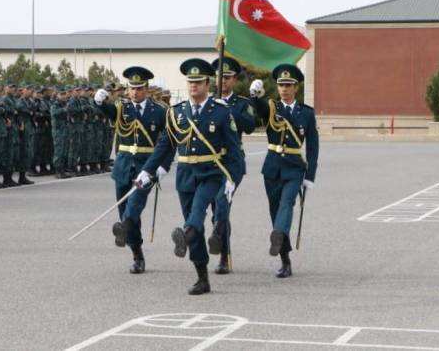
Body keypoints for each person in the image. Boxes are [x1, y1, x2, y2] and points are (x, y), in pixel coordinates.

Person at [137, 58, 243, 295]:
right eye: (190, 82)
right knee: (194, 230)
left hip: (210, 173)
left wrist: (231, 180)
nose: (193, 86)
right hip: (185, 175)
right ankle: (201, 276)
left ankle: (184, 233)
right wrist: (147, 171)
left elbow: (235, 153)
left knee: (195, 217)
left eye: (198, 82)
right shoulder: (176, 113)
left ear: (207, 84)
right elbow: (164, 146)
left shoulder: (221, 113)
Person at [94, 67, 169, 274]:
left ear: (146, 89)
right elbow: (107, 111)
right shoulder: (121, 108)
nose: (134, 92)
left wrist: (164, 165)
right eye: (131, 88)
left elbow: (170, 140)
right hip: (124, 165)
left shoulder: (159, 111)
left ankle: (124, 227)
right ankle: (137, 253)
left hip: (147, 166)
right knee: (124, 210)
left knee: (134, 207)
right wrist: (99, 102)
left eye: (139, 88)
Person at [249, 64, 319, 279]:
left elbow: (313, 146)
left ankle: (278, 233)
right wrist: (253, 95)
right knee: (274, 210)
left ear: (296, 87)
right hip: (272, 167)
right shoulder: (272, 108)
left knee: (286, 203)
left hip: (294, 167)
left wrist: (310, 177)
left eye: (288, 85)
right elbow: (260, 109)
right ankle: (285, 259)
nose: (284, 89)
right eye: (281, 85)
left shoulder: (306, 113)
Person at [209, 56, 256, 274]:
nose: (222, 82)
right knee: (215, 210)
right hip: (210, 163)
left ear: (234, 79)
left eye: (227, 77)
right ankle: (221, 243)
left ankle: (224, 258)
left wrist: (228, 109)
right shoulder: (206, 102)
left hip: (232, 163)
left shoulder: (242, 104)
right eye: (220, 77)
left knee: (222, 205)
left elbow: (249, 126)